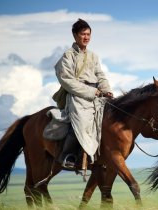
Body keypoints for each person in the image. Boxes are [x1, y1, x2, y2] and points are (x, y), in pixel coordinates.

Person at [54, 18, 113, 169]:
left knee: (110, 117)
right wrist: (93, 91)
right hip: (77, 96)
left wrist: (107, 90)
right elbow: (67, 81)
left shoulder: (93, 56)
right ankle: (68, 155)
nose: (86, 37)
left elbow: (100, 75)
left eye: (88, 34)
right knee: (80, 119)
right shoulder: (68, 56)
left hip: (96, 95)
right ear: (75, 35)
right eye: (83, 34)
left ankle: (103, 155)